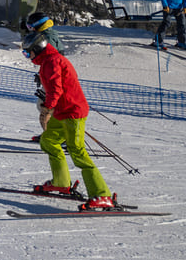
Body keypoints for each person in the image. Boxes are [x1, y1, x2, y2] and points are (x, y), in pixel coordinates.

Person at [21, 14, 116, 211]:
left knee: (78, 151)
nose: (27, 57)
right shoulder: (48, 60)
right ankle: (61, 182)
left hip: (73, 111)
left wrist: (47, 108)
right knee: (49, 140)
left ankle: (102, 195)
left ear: (37, 49)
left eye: (27, 53)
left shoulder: (52, 61)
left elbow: (56, 89)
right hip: (63, 111)